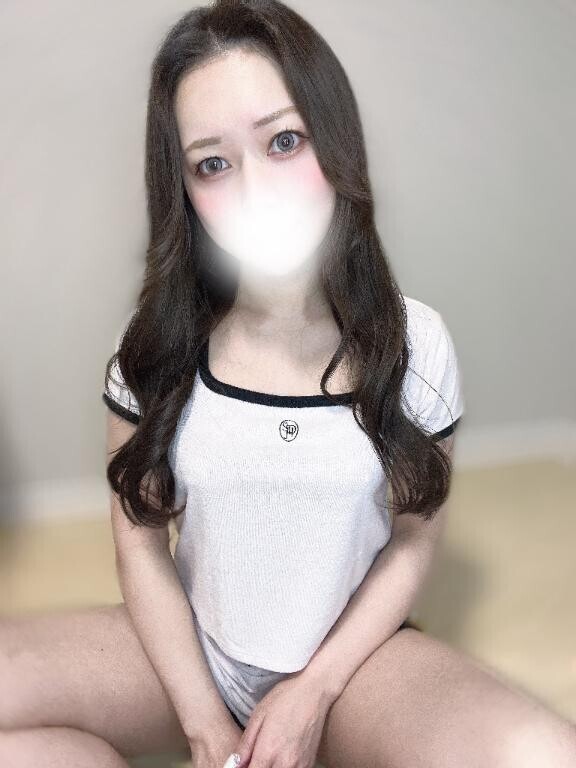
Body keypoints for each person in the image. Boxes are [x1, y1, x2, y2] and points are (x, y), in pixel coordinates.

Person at [2, 1, 576, 767]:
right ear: (184, 188)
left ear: (333, 140)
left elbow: (414, 541)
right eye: (212, 163)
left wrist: (314, 691)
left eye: (283, 141)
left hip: (353, 670)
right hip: (189, 654)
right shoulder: (150, 347)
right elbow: (139, 547)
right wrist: (205, 726)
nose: (255, 189)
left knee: (541, 753)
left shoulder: (416, 344)